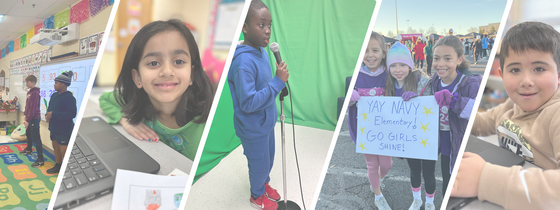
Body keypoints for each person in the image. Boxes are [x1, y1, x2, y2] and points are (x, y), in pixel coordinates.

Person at [452, 21, 560, 210]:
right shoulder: (511, 106)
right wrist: (456, 104)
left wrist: (483, 179)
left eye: (539, 69)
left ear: (558, 75)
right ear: (502, 75)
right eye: (515, 70)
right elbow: (479, 124)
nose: (526, 81)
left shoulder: (556, 115)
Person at [99, 19, 214, 161]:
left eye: (178, 61)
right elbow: (104, 100)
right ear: (137, 78)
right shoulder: (133, 99)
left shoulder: (209, 120)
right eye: (153, 63)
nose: (167, 72)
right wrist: (125, 120)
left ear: (192, 74)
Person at [227, 1, 288, 209]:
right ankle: (256, 196)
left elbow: (264, 85)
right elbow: (247, 102)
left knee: (268, 158)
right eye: (261, 25)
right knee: (258, 163)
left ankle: (264, 184)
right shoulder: (243, 63)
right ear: (244, 27)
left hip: (266, 122)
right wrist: (277, 82)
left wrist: (277, 81)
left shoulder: (261, 51)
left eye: (269, 25)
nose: (268, 31)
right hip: (252, 128)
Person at [384, 42, 436, 210]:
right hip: (407, 140)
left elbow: (433, 103)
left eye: (402, 65)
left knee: (428, 173)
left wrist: (418, 98)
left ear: (410, 65)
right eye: (393, 66)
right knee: (414, 172)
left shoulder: (422, 82)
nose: (398, 70)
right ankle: (417, 200)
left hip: (425, 137)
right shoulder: (390, 86)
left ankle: (429, 203)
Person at [428, 35, 481, 196]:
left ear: (459, 60)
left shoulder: (470, 84)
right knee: (447, 181)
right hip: (443, 144)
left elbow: (479, 115)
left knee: (459, 186)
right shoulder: (434, 82)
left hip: (460, 146)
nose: (441, 64)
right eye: (436, 58)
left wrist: (455, 101)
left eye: (447, 58)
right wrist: (412, 96)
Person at [349, 32, 392, 210]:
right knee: (372, 164)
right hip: (364, 129)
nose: (370, 55)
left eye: (375, 50)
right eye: (365, 50)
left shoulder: (389, 74)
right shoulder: (356, 75)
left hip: (385, 129)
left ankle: (379, 180)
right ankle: (378, 195)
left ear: (383, 52)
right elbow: (347, 102)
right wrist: (350, 97)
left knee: (387, 164)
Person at [46, 71, 77, 174]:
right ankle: (58, 166)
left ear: (63, 84)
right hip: (54, 127)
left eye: (56, 83)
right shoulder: (54, 96)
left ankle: (69, 170)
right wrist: (47, 116)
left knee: (64, 150)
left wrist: (53, 114)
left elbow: (71, 114)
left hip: (64, 129)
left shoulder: (70, 98)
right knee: (55, 147)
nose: (54, 85)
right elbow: (49, 109)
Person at [20, 75, 44, 167]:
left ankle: (40, 159)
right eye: (26, 82)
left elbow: (33, 109)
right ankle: (29, 149)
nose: (26, 83)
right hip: (29, 118)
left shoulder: (35, 93)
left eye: (28, 82)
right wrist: (25, 115)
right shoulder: (29, 92)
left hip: (34, 118)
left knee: (36, 138)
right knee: (29, 135)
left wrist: (28, 120)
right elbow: (28, 106)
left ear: (33, 82)